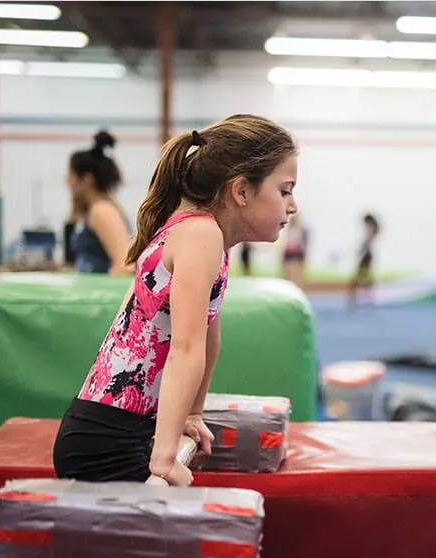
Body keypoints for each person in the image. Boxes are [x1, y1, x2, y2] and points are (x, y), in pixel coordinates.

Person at [53, 115, 299, 487]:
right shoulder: (200, 233)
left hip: (122, 429)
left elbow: (208, 336)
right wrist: (165, 458)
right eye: (285, 190)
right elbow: (185, 348)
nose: (292, 205)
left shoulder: (208, 236)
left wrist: (193, 413)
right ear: (242, 191)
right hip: (106, 439)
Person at [66, 131, 133, 275]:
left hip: (100, 295)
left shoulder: (102, 211)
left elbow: (125, 266)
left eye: (71, 176)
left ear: (87, 179)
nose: (68, 183)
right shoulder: (93, 211)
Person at [349, 213, 379, 310]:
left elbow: (367, 243)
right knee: (365, 277)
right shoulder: (372, 231)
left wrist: (361, 249)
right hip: (367, 255)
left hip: (366, 255)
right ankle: (367, 298)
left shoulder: (370, 230)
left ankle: (355, 300)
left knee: (359, 278)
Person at [282, 213, 309, 286]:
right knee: (288, 271)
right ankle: (289, 284)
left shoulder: (300, 229)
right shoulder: (289, 229)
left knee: (297, 271)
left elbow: (304, 243)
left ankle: (297, 285)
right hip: (290, 251)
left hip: (296, 251)